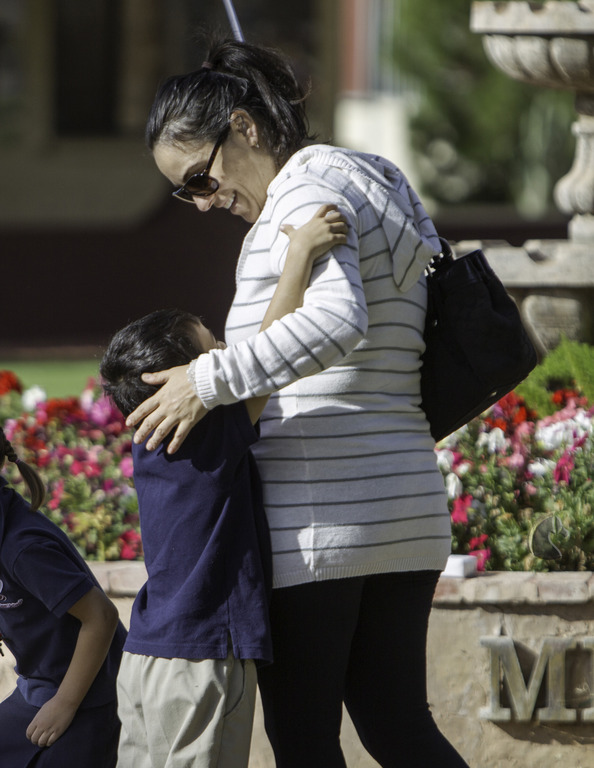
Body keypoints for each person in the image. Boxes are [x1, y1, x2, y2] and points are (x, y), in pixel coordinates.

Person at [126, 37, 471, 768]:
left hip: (322, 526)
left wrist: (205, 380)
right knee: (397, 727)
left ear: (245, 127)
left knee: (306, 739)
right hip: (403, 512)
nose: (203, 202)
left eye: (200, 177)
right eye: (184, 193)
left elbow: (336, 323)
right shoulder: (372, 176)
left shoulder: (303, 193)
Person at [99, 205, 347, 768]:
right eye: (211, 350)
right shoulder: (201, 432)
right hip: (201, 657)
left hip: (146, 657)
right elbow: (266, 356)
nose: (222, 360)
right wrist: (301, 255)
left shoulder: (153, 439)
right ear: (174, 382)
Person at [0, 427, 126, 768]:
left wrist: (65, 703)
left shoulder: (22, 547)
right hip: (38, 689)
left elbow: (101, 617)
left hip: (86, 699)